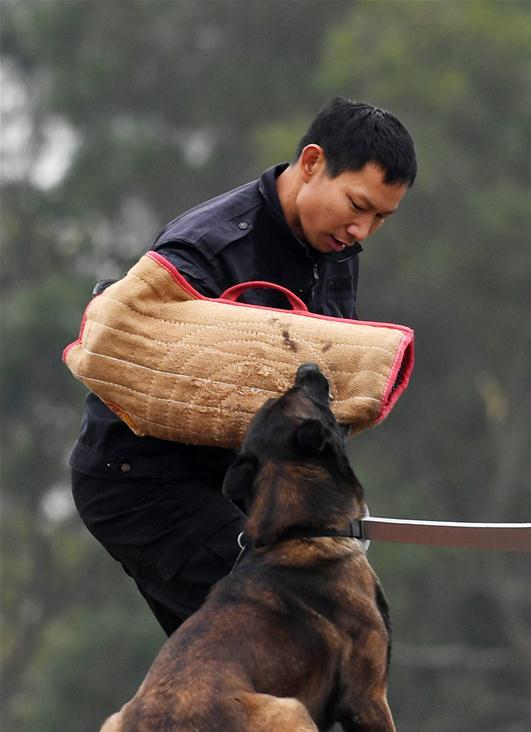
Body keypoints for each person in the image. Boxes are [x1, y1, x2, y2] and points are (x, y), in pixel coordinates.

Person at [69, 97, 417, 637]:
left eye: (380, 218)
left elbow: (314, 392)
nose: (362, 230)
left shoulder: (337, 252)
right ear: (311, 164)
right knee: (285, 631)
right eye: (357, 205)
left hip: (226, 483)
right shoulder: (206, 248)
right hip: (141, 483)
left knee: (263, 670)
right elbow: (123, 346)